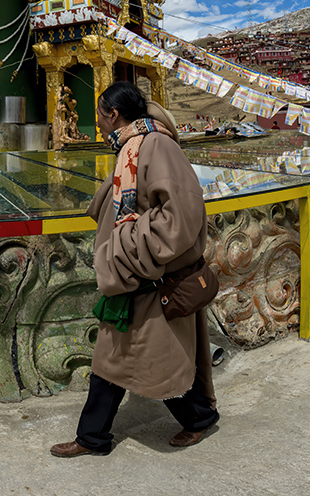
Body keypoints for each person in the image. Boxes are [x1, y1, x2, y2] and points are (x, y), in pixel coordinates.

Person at [50, 81, 218, 457]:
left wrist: (127, 247)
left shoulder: (155, 145)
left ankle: (199, 418)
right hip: (130, 276)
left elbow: (181, 214)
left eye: (99, 115)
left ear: (113, 114)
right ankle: (92, 437)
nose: (97, 124)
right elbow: (129, 199)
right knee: (112, 359)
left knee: (158, 360)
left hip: (149, 277)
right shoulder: (130, 146)